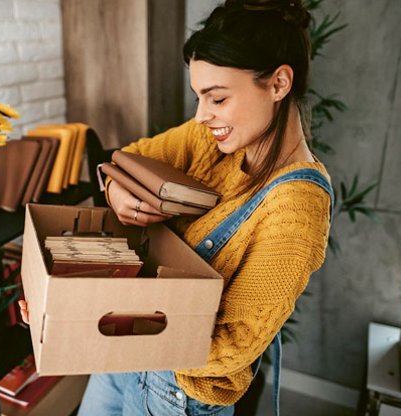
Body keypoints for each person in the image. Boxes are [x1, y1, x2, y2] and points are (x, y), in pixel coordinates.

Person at [20, 0, 334, 414]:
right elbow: (128, 158)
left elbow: (233, 344)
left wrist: (81, 319)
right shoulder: (214, 139)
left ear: (278, 84)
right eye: (199, 97)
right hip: (119, 360)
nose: (202, 116)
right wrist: (118, 194)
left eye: (217, 98)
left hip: (177, 393)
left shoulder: (297, 205)